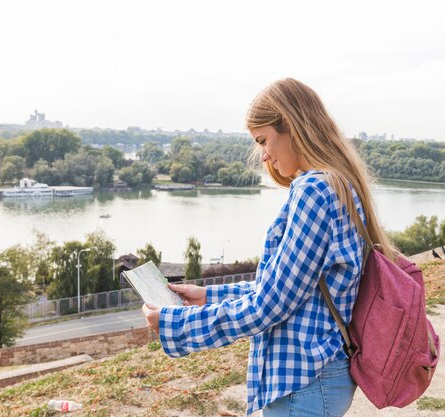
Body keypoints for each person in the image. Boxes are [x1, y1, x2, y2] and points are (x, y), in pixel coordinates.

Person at [142, 78, 397, 416]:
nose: (263, 154)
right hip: (316, 379)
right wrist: (207, 297)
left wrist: (178, 325)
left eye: (264, 140)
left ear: (291, 126)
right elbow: (290, 290)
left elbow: (270, 305)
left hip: (303, 385)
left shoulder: (314, 192)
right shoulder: (339, 184)